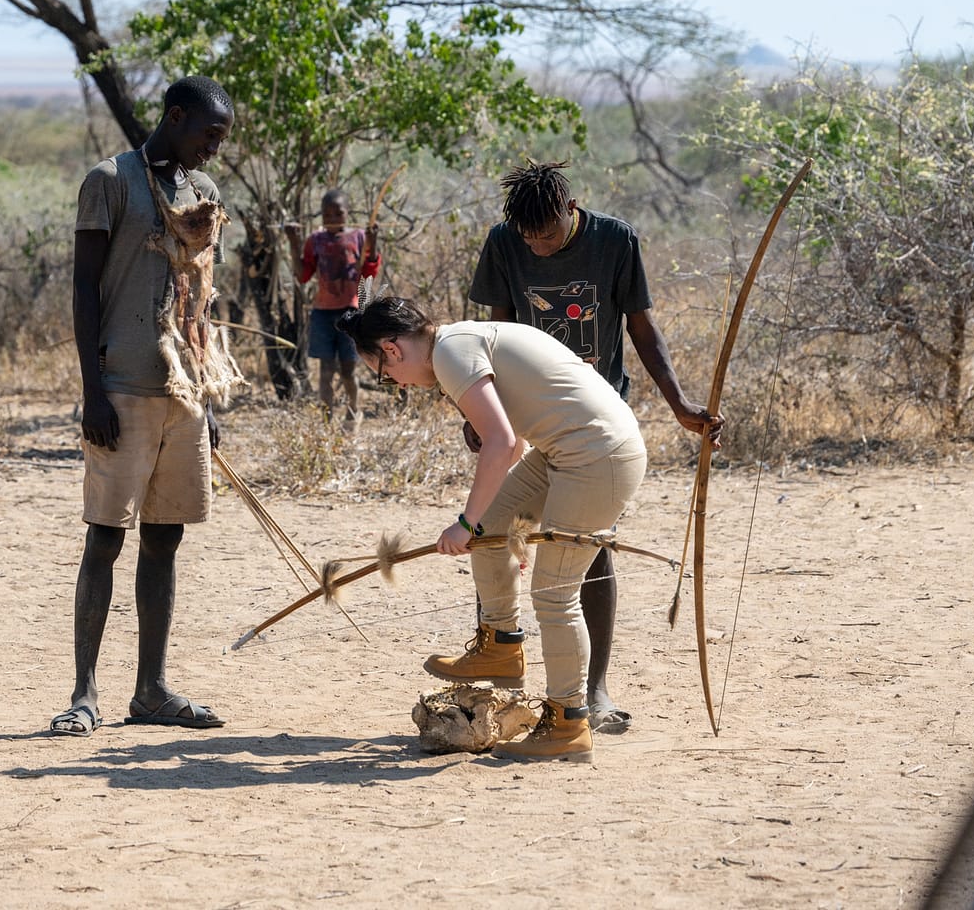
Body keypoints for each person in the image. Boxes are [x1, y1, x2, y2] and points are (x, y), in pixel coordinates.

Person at [465, 158, 722, 735]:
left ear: (570, 208)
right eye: (530, 238)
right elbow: (495, 334)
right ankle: (497, 665)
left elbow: (642, 328)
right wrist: (485, 414)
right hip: (533, 416)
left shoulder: (614, 240)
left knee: (586, 547)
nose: (540, 247)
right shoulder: (505, 243)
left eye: (549, 234)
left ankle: (593, 691)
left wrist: (681, 406)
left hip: (597, 420)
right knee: (490, 530)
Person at [338, 296, 648, 762]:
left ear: (392, 348)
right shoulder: (458, 343)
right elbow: (515, 435)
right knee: (492, 529)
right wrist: (478, 524)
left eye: (383, 372)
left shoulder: (450, 352)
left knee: (554, 593)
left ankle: (568, 725)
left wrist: (464, 523)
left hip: (597, 456)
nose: (395, 382)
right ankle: (501, 646)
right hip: (566, 450)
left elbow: (501, 443)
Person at [51, 75, 241, 738]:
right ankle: (83, 695)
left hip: (184, 394)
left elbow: (201, 300)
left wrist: (208, 396)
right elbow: (83, 289)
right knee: (106, 537)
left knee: (166, 539)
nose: (216, 148)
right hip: (122, 389)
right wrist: (92, 391)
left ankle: (151, 691)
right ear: (175, 116)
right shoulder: (110, 180)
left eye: (222, 138)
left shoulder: (205, 195)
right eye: (209, 134)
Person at [284, 191, 381, 418]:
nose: (333, 218)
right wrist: (294, 242)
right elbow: (303, 275)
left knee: (348, 370)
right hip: (322, 313)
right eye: (327, 214)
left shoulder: (359, 237)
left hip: (350, 313)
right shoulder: (315, 240)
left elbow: (369, 271)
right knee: (326, 370)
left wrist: (373, 243)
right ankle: (326, 420)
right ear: (321, 214)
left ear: (348, 213)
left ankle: (352, 412)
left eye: (339, 213)